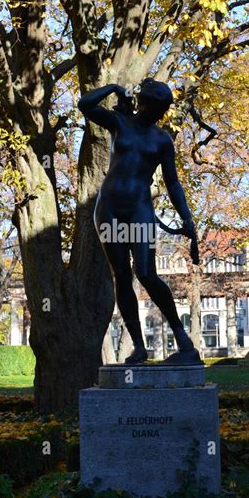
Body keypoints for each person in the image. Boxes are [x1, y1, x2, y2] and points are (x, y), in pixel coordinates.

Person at [78, 78, 201, 365]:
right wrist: (112, 88)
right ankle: (138, 347)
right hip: (109, 208)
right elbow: (85, 104)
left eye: (164, 110)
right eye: (157, 108)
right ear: (144, 103)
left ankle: (183, 340)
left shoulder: (161, 140)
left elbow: (172, 183)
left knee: (146, 273)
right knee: (122, 275)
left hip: (140, 209)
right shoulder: (120, 122)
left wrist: (187, 217)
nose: (160, 115)